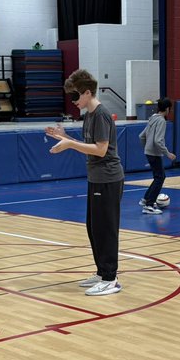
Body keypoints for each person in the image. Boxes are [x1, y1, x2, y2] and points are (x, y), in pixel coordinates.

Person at [45, 69, 123, 296]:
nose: (73, 102)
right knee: (94, 228)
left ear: (87, 93)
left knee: (106, 230)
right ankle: (102, 272)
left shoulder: (101, 115)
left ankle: (110, 278)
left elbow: (101, 150)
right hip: (95, 178)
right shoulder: (88, 115)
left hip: (108, 178)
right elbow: (89, 146)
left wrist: (70, 144)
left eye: (75, 96)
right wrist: (65, 138)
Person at [139, 98, 176, 214]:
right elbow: (158, 140)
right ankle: (149, 205)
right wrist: (168, 153)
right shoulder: (161, 121)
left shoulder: (152, 118)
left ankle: (146, 199)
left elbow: (141, 136)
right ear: (167, 109)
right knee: (160, 177)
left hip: (149, 152)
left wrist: (147, 148)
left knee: (158, 177)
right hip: (154, 153)